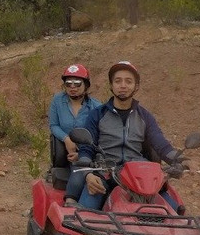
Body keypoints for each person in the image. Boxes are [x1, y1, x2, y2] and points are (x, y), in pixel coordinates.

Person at [76, 61, 178, 211]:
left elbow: (160, 143)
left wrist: (179, 159)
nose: (123, 85)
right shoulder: (97, 114)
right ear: (111, 86)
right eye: (118, 81)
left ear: (136, 86)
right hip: (106, 172)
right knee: (83, 215)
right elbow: (86, 148)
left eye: (128, 81)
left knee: (174, 210)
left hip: (139, 176)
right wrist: (88, 174)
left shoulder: (145, 116)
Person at [48, 64, 102, 204]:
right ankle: (70, 203)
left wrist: (82, 152)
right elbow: (54, 125)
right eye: (68, 83)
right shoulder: (57, 101)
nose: (72, 87)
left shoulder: (96, 107)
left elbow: (100, 133)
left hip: (88, 151)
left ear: (86, 85)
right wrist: (66, 139)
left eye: (77, 83)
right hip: (65, 149)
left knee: (82, 169)